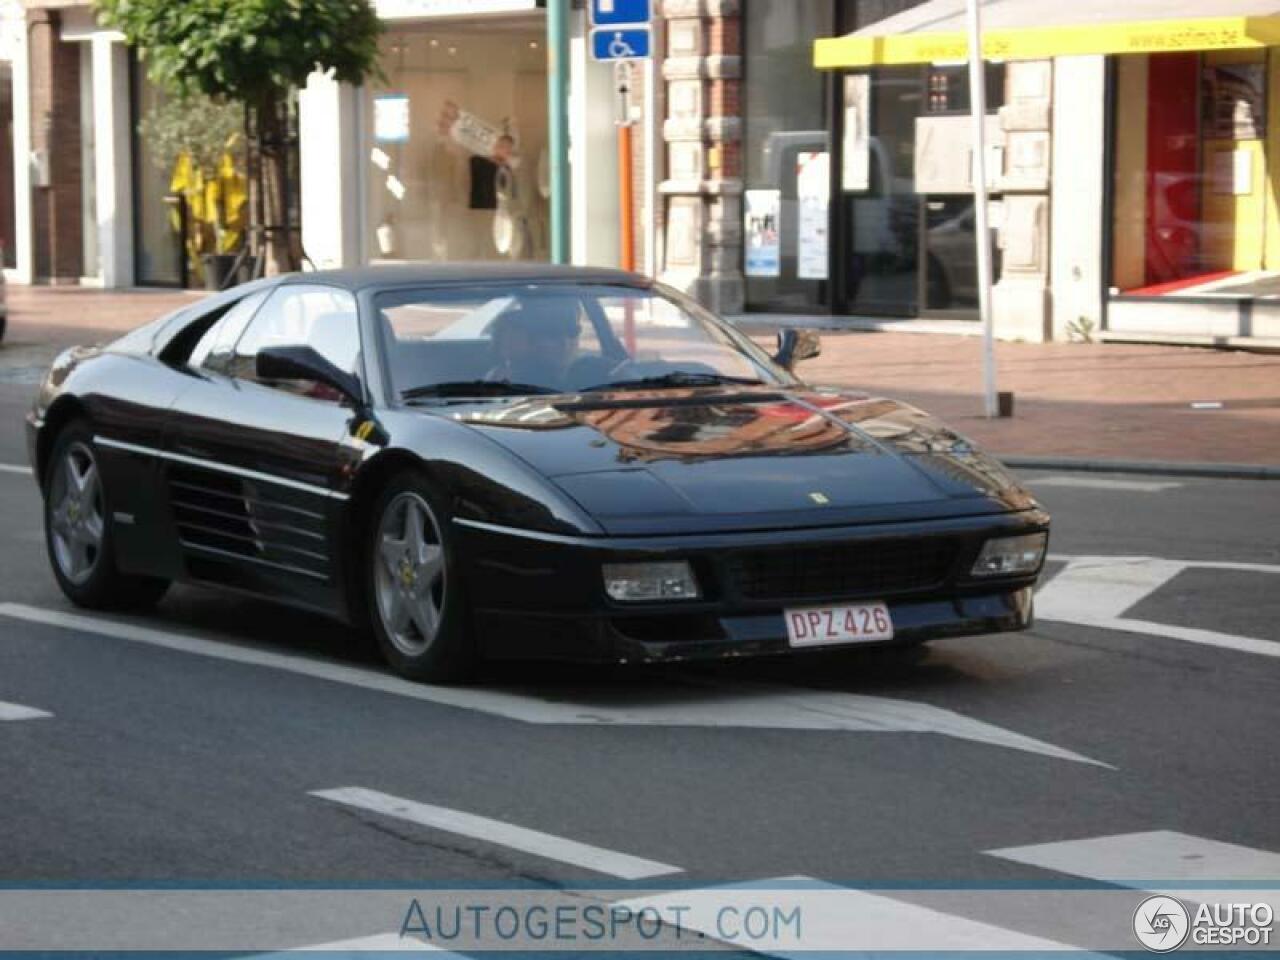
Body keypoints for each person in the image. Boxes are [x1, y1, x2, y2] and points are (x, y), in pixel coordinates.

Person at [486, 299, 581, 390]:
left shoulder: (585, 372)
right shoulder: (504, 378)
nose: (565, 343)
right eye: (552, 335)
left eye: (573, 332)